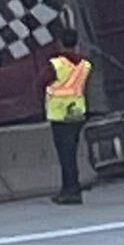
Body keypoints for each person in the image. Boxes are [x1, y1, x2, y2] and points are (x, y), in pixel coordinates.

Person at [41, 27, 92, 205]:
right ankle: (72, 188)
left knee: (65, 155)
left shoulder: (56, 64)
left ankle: (70, 190)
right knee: (72, 151)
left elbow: (43, 80)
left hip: (60, 114)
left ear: (60, 43)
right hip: (77, 112)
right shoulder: (85, 64)